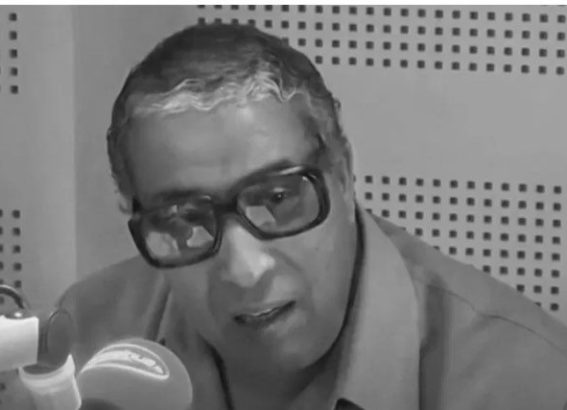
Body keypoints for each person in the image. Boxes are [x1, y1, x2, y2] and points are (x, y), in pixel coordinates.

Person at [7, 22, 567, 410]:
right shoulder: (89, 337)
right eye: (183, 219)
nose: (245, 270)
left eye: (277, 199)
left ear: (343, 174)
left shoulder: (525, 382)